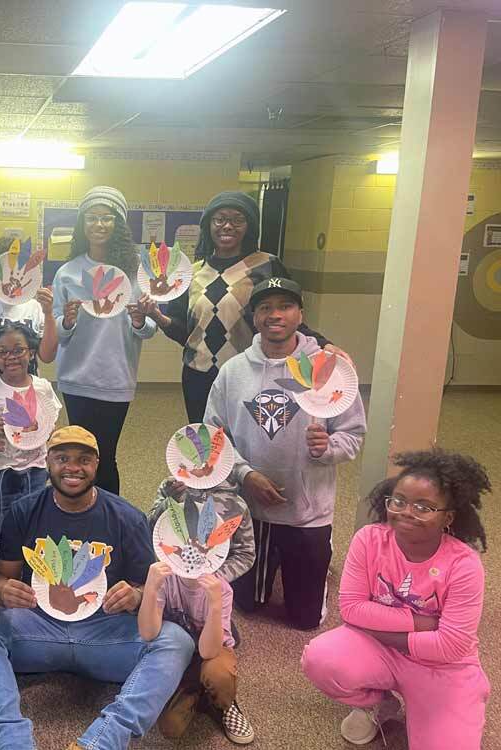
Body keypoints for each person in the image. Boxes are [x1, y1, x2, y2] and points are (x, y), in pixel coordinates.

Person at [0, 426, 194, 750]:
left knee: (176, 641)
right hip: (40, 627)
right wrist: (4, 592)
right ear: (48, 462)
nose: (73, 467)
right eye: (62, 458)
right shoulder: (24, 511)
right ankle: (11, 742)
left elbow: (149, 586)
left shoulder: (127, 517)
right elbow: (2, 578)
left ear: (97, 464)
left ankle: (102, 742)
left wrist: (137, 594)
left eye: (83, 459)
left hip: (105, 631)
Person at [205, 277, 366, 630]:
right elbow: (214, 436)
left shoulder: (328, 370)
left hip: (306, 512)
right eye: (265, 307)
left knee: (305, 619)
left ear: (300, 314)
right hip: (252, 507)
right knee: (247, 605)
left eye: (285, 306)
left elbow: (353, 436)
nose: (274, 315)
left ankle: (319, 564)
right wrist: (246, 474)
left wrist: (328, 448)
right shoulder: (233, 372)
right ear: (254, 316)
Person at [302, 450, 491, 750]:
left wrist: (374, 625)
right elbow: (351, 608)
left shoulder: (464, 564)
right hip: (383, 649)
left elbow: (451, 645)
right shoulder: (369, 539)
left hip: (443, 667)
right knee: (321, 658)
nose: (406, 512)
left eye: (424, 506)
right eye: (399, 501)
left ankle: (451, 702)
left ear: (449, 517)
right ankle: (380, 703)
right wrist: (420, 623)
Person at [143, 190, 342, 422]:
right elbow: (184, 333)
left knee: (246, 442)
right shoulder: (191, 272)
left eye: (238, 220)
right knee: (208, 446)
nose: (227, 226)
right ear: (208, 224)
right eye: (220, 219)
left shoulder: (266, 265)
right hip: (199, 375)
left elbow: (288, 319)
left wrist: (323, 344)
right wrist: (157, 316)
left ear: (250, 226)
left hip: (250, 372)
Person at [52, 186, 155, 495]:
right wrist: (67, 321)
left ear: (118, 224)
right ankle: (78, 513)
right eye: (92, 217)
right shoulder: (67, 273)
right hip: (76, 378)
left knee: (104, 457)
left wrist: (140, 319)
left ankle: (107, 521)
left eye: (107, 217)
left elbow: (148, 328)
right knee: (78, 456)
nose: (99, 224)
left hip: (116, 379)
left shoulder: (136, 272)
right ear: (83, 224)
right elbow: (56, 329)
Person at [0, 322, 61, 601]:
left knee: (34, 527)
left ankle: (32, 585)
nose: (11, 356)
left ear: (31, 353)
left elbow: (52, 419)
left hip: (36, 468)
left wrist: (42, 430)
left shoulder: (42, 387)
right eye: (2, 352)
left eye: (18, 350)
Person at [139, 560, 255, 744]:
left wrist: (215, 606)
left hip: (213, 649)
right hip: (181, 655)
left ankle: (225, 705)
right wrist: (150, 590)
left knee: (218, 675)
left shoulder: (220, 588)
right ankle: (202, 695)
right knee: (171, 726)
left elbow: (209, 652)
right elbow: (148, 633)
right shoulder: (167, 580)